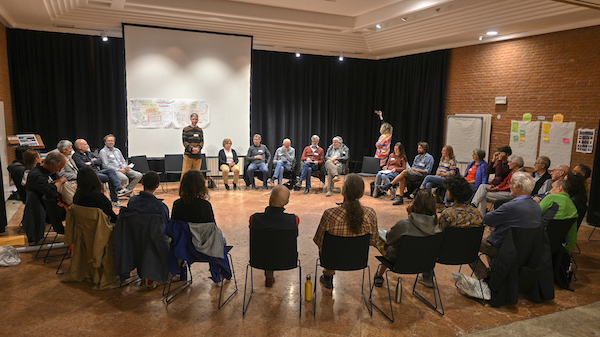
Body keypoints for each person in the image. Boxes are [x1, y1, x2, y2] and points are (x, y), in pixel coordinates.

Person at [469, 172, 541, 280]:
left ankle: (485, 275)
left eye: (511, 184)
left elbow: (487, 219)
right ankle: (496, 272)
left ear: (519, 187)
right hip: (524, 249)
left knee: (468, 246)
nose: (510, 186)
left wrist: (498, 223)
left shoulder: (511, 207)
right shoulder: (537, 207)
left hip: (502, 247)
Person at [313, 174, 378, 289]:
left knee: (329, 248)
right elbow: (373, 241)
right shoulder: (370, 214)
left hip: (331, 259)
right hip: (358, 260)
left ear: (344, 190)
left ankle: (328, 277)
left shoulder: (330, 214)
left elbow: (319, 241)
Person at [373, 189, 441, 287]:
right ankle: (427, 277)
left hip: (399, 261)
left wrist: (409, 215)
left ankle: (378, 275)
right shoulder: (437, 227)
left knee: (379, 235)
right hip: (425, 262)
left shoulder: (403, 225)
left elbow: (389, 239)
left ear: (415, 205)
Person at [171, 170, 228, 284]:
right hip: (205, 248)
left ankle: (179, 272)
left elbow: (174, 229)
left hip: (184, 247)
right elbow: (213, 230)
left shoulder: (177, 204)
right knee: (219, 238)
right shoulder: (205, 206)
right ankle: (218, 273)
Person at [249, 185, 299, 287]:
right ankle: (269, 277)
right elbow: (295, 235)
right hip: (287, 261)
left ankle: (269, 277)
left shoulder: (254, 219)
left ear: (270, 198)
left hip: (259, 260)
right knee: (275, 244)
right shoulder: (294, 220)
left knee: (268, 245)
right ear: (286, 203)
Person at [72, 138, 130, 208]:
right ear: (79, 147)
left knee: (111, 170)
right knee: (110, 178)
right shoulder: (76, 156)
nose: (87, 146)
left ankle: (119, 189)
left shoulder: (89, 153)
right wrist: (93, 161)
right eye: (85, 144)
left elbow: (100, 161)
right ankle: (116, 198)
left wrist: (91, 162)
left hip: (98, 171)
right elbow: (83, 166)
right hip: (89, 175)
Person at [24, 152, 68, 243]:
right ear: (52, 164)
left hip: (45, 207)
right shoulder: (37, 174)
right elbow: (51, 192)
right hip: (41, 209)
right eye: (59, 167)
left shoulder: (42, 171)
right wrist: (59, 182)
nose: (59, 170)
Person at [56, 140, 79, 205]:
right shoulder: (59, 160)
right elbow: (61, 174)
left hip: (77, 180)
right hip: (70, 183)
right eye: (70, 148)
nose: (72, 149)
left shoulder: (69, 158)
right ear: (64, 150)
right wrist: (77, 176)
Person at [181, 113, 204, 178]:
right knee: (185, 174)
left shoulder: (200, 130)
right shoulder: (186, 129)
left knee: (197, 175)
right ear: (191, 119)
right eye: (193, 119)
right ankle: (183, 187)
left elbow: (202, 142)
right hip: (188, 155)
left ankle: (196, 188)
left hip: (198, 155)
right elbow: (184, 142)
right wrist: (192, 149)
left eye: (196, 119)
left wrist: (198, 149)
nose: (195, 121)